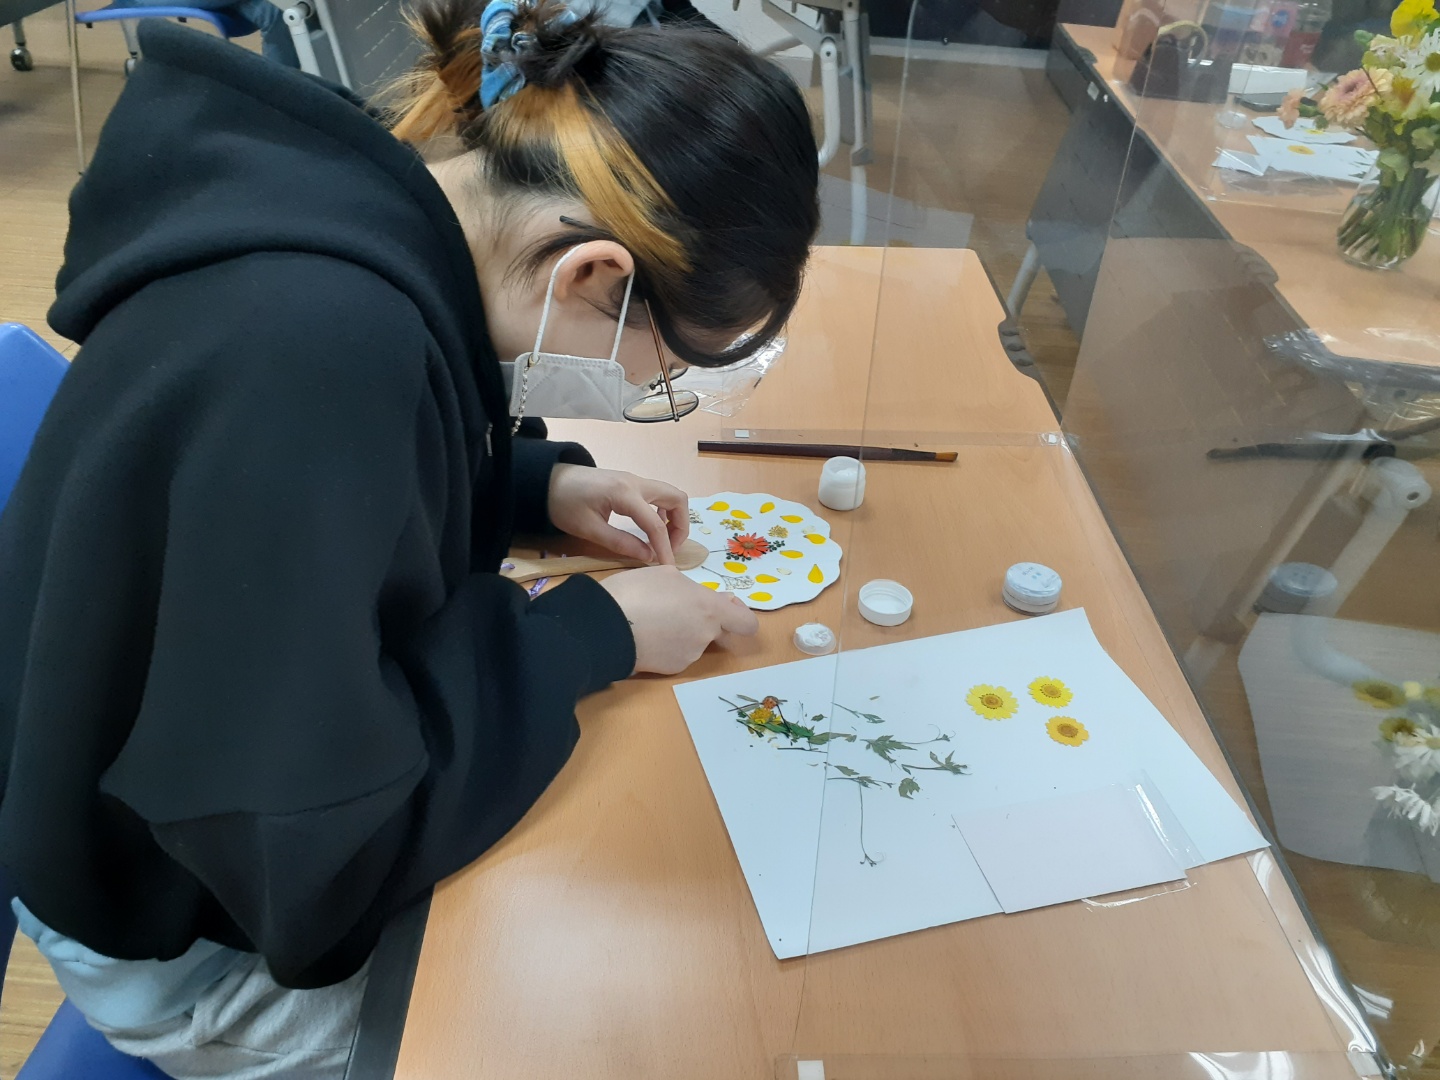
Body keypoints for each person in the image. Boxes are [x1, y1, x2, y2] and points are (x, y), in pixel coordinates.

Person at [0, 0, 819, 1076]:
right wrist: (594, 633)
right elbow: (314, 855)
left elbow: (332, 504)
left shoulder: (381, 218)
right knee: (643, 1021)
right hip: (195, 945)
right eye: (666, 366)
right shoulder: (316, 354)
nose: (648, 388)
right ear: (591, 276)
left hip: (206, 814)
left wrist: (532, 487)